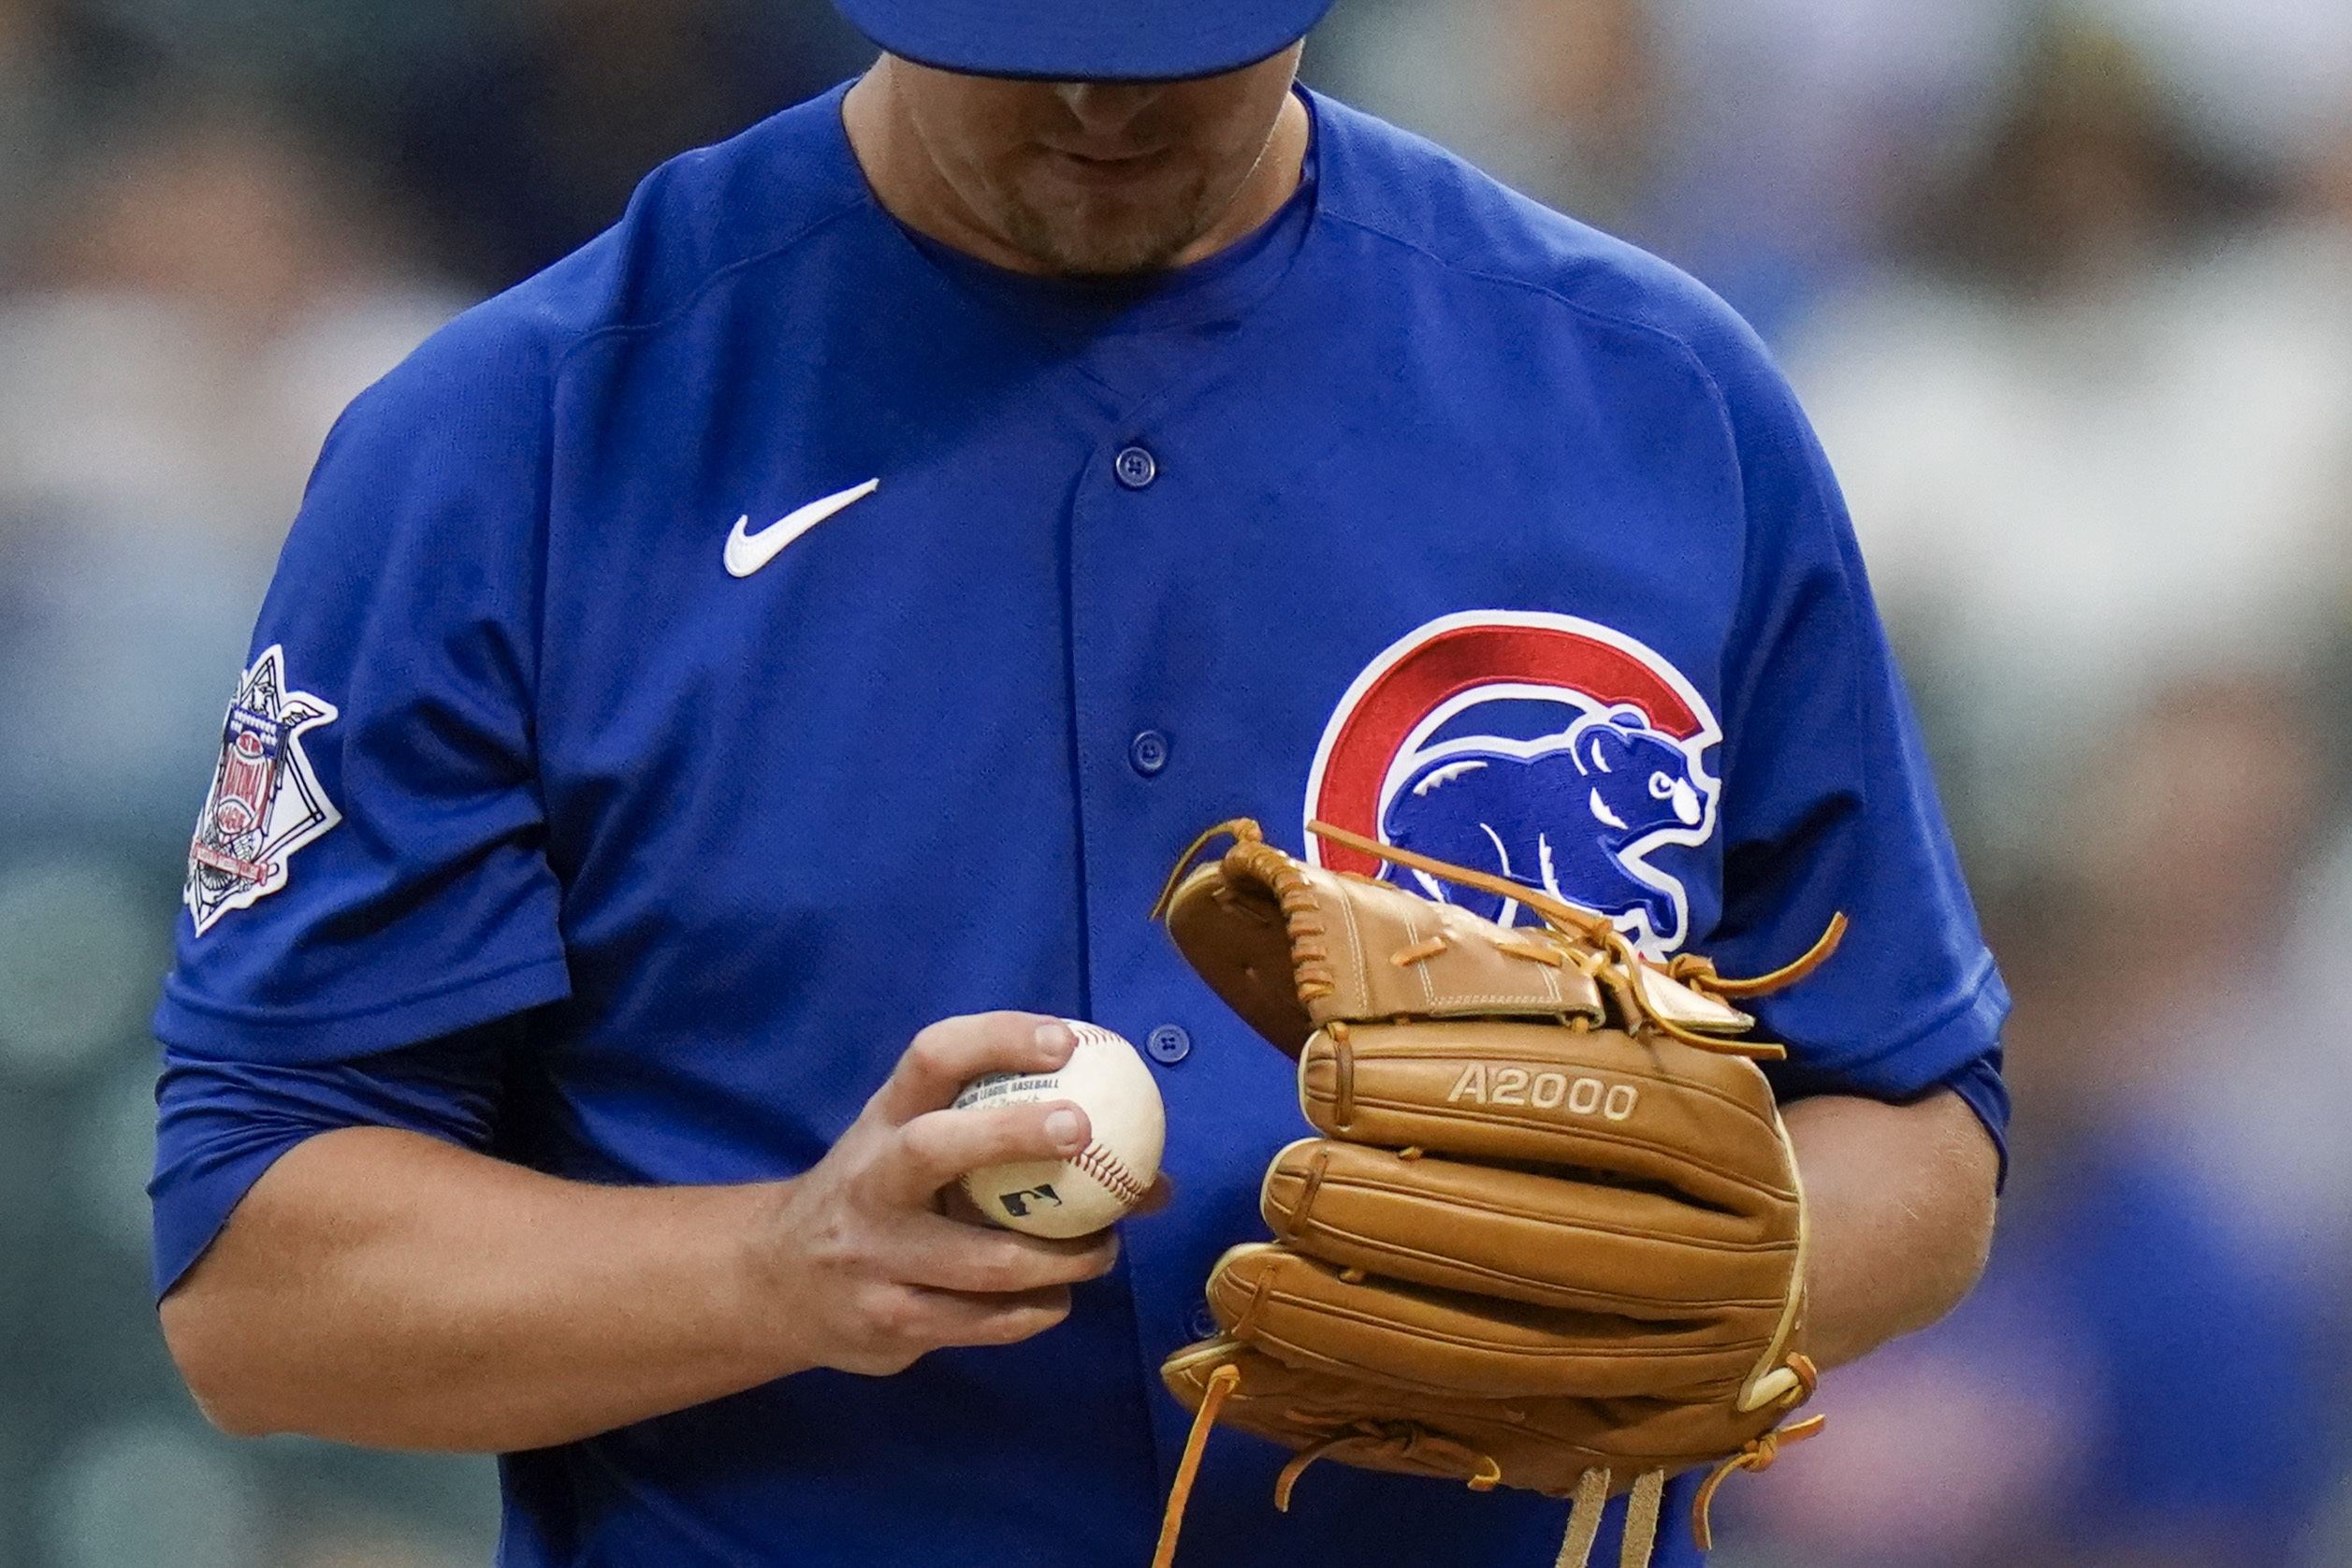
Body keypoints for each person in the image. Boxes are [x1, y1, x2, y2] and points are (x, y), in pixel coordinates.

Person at [148, 3, 2009, 1564]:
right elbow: (259, 1286)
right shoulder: (517, 441)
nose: (1103, 100)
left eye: (1175, 37)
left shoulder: (1649, 393)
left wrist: (1682, 1286)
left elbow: (1919, 1120)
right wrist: (782, 1265)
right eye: (1025, 38)